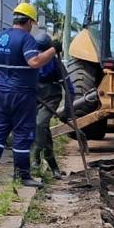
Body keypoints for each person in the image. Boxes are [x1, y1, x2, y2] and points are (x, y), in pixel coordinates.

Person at [0, 1, 57, 188]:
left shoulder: (1, 37)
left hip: (1, 92)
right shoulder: (26, 39)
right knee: (23, 133)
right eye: (32, 24)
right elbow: (35, 62)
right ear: (28, 21)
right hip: (21, 93)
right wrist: (53, 50)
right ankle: (23, 175)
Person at [31, 26, 74, 178]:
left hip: (51, 99)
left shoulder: (56, 65)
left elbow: (69, 89)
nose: (41, 55)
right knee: (41, 129)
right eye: (39, 51)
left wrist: (67, 111)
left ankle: (36, 156)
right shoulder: (32, 60)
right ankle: (53, 165)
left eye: (44, 51)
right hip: (36, 98)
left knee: (40, 124)